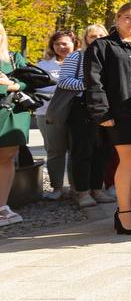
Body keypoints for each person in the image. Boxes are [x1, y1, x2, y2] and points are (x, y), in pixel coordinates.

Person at [83, 2, 131, 235]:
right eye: (127, 17)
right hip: (119, 113)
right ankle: (125, 214)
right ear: (117, 18)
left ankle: (125, 212)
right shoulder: (102, 46)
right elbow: (93, 81)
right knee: (129, 159)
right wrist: (101, 112)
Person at [57, 24, 110, 209]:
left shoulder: (110, 56)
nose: (97, 39)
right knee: (82, 152)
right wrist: (90, 86)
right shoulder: (76, 56)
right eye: (93, 36)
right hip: (82, 108)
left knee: (102, 151)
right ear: (86, 39)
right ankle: (82, 192)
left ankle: (97, 189)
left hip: (106, 107)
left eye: (101, 35)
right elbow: (64, 81)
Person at [35, 29, 76, 200]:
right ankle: (57, 188)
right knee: (55, 151)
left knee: (76, 151)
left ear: (74, 44)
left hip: (75, 113)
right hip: (49, 113)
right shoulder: (43, 66)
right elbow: (37, 89)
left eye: (65, 43)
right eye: (57, 44)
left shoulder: (82, 63)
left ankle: (76, 187)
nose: (61, 47)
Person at [0, 20, 34, 225]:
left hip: (12, 112)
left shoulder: (14, 57)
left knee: (7, 158)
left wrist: (12, 85)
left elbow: (30, 81)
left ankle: (2, 207)